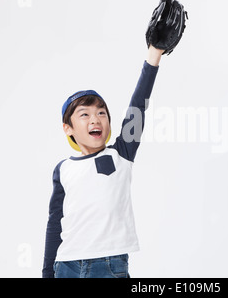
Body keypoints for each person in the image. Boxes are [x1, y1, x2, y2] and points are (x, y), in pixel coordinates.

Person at [42, 46, 164, 278]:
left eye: (101, 113)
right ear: (68, 128)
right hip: (65, 266)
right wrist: (48, 272)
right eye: (84, 114)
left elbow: (138, 107)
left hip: (107, 265)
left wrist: (154, 56)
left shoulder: (121, 154)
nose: (95, 119)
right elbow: (55, 223)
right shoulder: (63, 169)